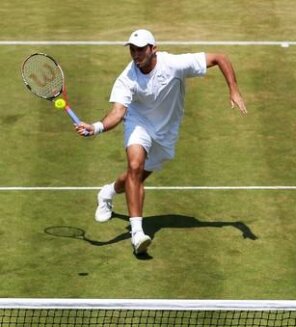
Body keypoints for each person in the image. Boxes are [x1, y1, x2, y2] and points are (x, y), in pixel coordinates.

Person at [75, 29, 247, 255]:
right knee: (135, 167)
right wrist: (96, 127)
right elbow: (118, 112)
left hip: (166, 133)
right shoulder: (127, 78)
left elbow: (220, 58)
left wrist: (233, 90)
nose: (135, 54)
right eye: (132, 49)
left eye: (140, 49)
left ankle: (106, 193)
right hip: (139, 124)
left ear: (153, 49)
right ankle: (137, 234)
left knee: (134, 177)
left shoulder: (174, 64)